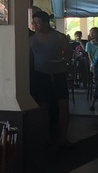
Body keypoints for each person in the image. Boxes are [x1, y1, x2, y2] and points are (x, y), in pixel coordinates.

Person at [30, 10, 74, 146]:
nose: (35, 26)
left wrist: (63, 60)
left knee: (63, 104)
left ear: (46, 22)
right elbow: (29, 58)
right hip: (40, 75)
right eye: (34, 23)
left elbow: (69, 54)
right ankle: (45, 137)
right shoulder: (32, 39)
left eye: (38, 23)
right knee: (43, 106)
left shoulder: (59, 37)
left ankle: (63, 137)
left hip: (58, 74)